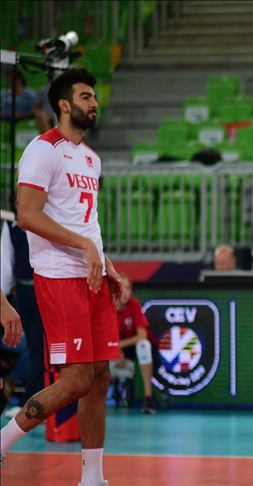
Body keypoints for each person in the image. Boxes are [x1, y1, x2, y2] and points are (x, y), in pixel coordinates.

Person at [0, 68, 121, 486]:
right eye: (86, 97)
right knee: (76, 380)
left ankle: (93, 478)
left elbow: (87, 223)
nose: (94, 103)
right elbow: (27, 216)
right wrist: (84, 246)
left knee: (100, 377)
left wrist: (106, 261)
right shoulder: (42, 149)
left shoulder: (91, 158)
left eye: (95, 97)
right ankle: (2, 441)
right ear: (65, 105)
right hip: (58, 275)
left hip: (91, 277)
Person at [1, 211, 46, 407]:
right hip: (23, 292)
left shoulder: (49, 219)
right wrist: (4, 302)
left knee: (38, 346)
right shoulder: (11, 225)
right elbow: (6, 264)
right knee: (32, 347)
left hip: (46, 289)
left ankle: (31, 402)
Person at [113, 274, 158, 414]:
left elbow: (142, 335)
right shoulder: (107, 306)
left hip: (137, 346)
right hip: (117, 347)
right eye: (121, 288)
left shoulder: (134, 304)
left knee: (143, 345)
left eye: (128, 288)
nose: (125, 292)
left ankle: (148, 397)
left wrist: (119, 346)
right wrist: (117, 350)